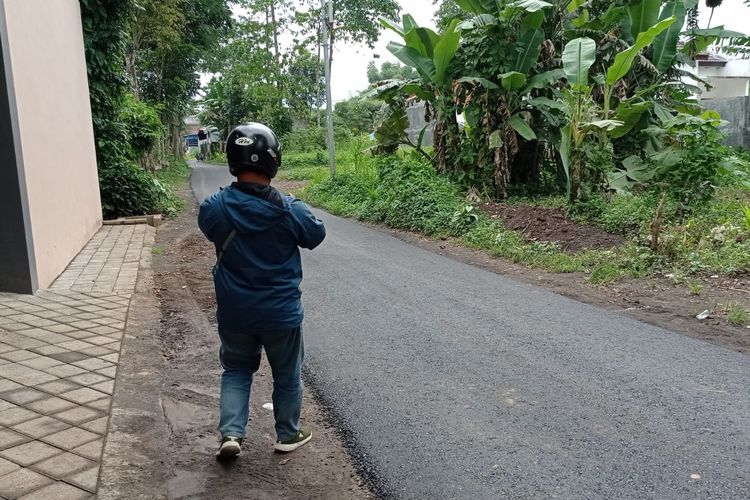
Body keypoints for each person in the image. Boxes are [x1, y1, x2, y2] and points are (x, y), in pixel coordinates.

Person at [198, 123, 326, 458]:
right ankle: (287, 433)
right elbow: (316, 235)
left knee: (237, 370)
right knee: (286, 373)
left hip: (235, 312)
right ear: (272, 160)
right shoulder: (288, 208)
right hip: (280, 313)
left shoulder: (215, 207)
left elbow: (210, 229)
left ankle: (231, 434)